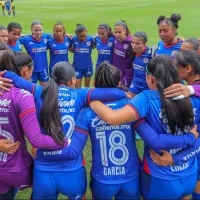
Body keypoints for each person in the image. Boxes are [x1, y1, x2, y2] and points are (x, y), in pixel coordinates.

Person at [36, 62, 198, 200]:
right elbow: (154, 136)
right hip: (131, 176)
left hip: (103, 178)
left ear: (95, 85)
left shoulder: (88, 111)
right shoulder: (132, 107)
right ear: (119, 82)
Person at [90, 55, 200, 199]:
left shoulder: (146, 98)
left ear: (151, 78)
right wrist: (178, 157)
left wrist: (92, 100)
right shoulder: (192, 95)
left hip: (160, 179)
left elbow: (112, 118)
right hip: (189, 175)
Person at [0, 51, 70, 200]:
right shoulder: (23, 96)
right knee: (42, 183)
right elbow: (36, 140)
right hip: (15, 167)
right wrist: (66, 142)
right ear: (26, 70)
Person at [152, 50, 200, 199]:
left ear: (188, 68)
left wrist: (175, 159)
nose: (173, 70)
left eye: (176, 67)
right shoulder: (187, 89)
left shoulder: (191, 92)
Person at [19, 21, 51, 85]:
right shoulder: (26, 39)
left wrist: (66, 34)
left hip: (43, 68)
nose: (38, 32)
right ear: (32, 30)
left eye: (40, 30)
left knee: (45, 89)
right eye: (36, 30)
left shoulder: (46, 36)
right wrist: (20, 35)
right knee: (32, 89)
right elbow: (14, 37)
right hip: (31, 70)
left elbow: (58, 34)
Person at [128, 31, 152, 97]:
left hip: (147, 86)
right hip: (135, 83)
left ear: (144, 44)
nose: (134, 46)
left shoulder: (150, 54)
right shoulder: (132, 52)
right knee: (128, 99)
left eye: (137, 43)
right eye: (132, 42)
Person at [71, 24, 93, 88]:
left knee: (87, 88)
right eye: (80, 36)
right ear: (76, 34)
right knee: (77, 89)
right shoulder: (73, 39)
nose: (83, 38)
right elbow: (69, 47)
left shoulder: (91, 39)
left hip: (88, 67)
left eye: (84, 36)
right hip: (77, 67)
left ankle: (86, 98)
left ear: (86, 32)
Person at [112, 20, 133, 88]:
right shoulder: (114, 39)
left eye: (119, 32)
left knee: (124, 93)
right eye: (115, 32)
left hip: (126, 74)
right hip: (115, 72)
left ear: (125, 31)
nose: (117, 34)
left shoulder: (131, 42)